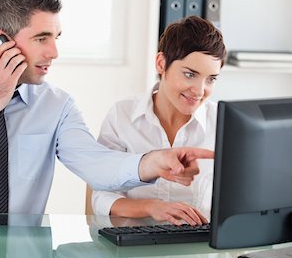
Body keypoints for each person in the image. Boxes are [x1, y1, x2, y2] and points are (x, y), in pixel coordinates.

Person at [0, 0, 214, 216]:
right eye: (41, 38)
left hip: (26, 254)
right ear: (1, 41)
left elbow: (96, 165)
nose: (54, 52)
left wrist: (154, 163)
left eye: (56, 38)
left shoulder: (57, 105)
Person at [92, 16, 226, 225]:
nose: (200, 91)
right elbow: (100, 197)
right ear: (161, 63)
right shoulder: (122, 115)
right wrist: (151, 207)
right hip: (133, 252)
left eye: (211, 79)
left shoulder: (222, 124)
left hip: (197, 252)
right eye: (190, 74)